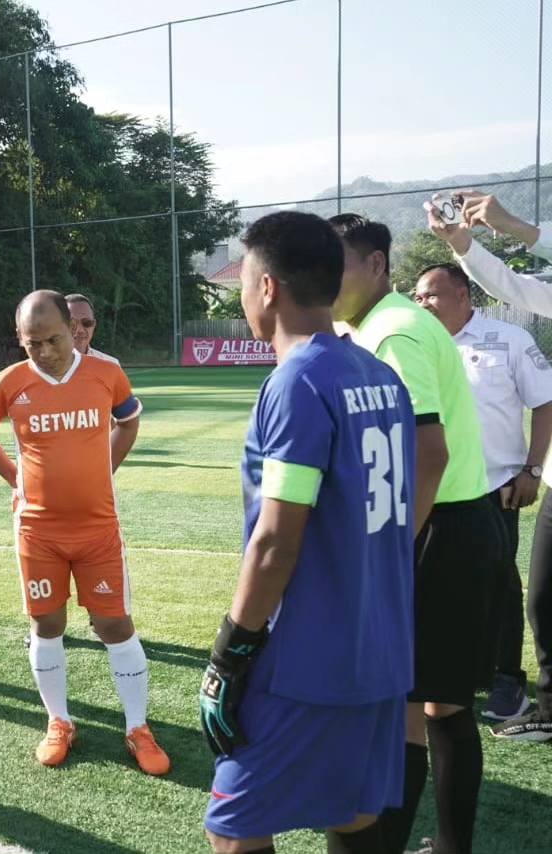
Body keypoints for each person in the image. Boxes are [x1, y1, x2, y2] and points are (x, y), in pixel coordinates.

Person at [198, 212, 415, 854]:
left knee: (233, 831)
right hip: (381, 646)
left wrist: (229, 653)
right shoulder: (379, 375)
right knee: (351, 813)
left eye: (245, 279)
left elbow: (275, 542)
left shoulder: (296, 382)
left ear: (267, 288)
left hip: (308, 657)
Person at [330, 213, 503, 854]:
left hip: (441, 531)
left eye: (339, 261)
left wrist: (395, 547)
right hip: (446, 525)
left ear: (376, 264)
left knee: (430, 706)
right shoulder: (378, 325)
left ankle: (432, 847)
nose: (326, 276)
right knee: (419, 702)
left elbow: (428, 452)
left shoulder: (396, 332)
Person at [0, 290, 169, 776]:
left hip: (98, 528)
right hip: (38, 531)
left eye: (53, 338)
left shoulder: (105, 373)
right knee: (46, 624)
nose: (46, 350)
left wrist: (106, 466)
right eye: (32, 343)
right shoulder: (10, 382)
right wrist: (15, 477)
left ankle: (138, 727)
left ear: (72, 330)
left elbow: (130, 420)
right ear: (20, 340)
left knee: (114, 624)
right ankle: (59, 721)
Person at [428, 190, 552, 742]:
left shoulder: (507, 339)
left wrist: (515, 225)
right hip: (454, 484)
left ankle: (510, 679)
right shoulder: (422, 342)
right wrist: (464, 243)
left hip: (503, 481)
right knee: (541, 597)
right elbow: (514, 285)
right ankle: (543, 703)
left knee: (508, 586)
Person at [66, 293, 118, 364]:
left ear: (94, 325)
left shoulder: (111, 365)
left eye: (87, 323)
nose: (80, 330)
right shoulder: (46, 368)